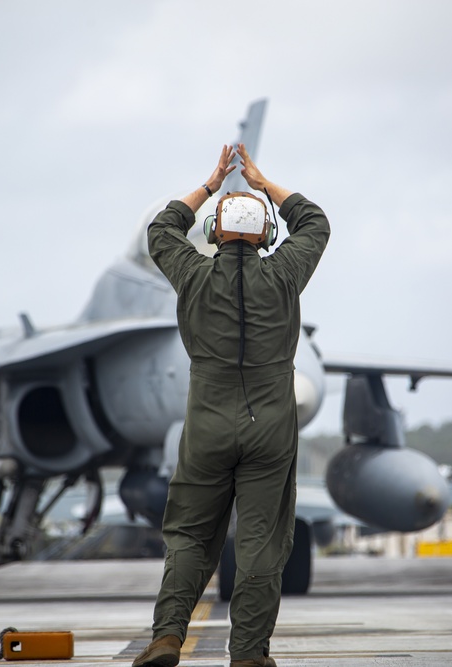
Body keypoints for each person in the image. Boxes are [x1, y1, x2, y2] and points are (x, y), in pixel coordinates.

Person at [133, 143, 330, 667]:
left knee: (191, 537)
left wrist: (209, 184)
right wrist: (266, 187)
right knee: (262, 544)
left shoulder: (192, 276)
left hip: (206, 428)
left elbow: (161, 230)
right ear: (266, 235)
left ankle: (167, 638)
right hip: (270, 428)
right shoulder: (286, 272)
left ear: (216, 233)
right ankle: (247, 654)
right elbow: (314, 222)